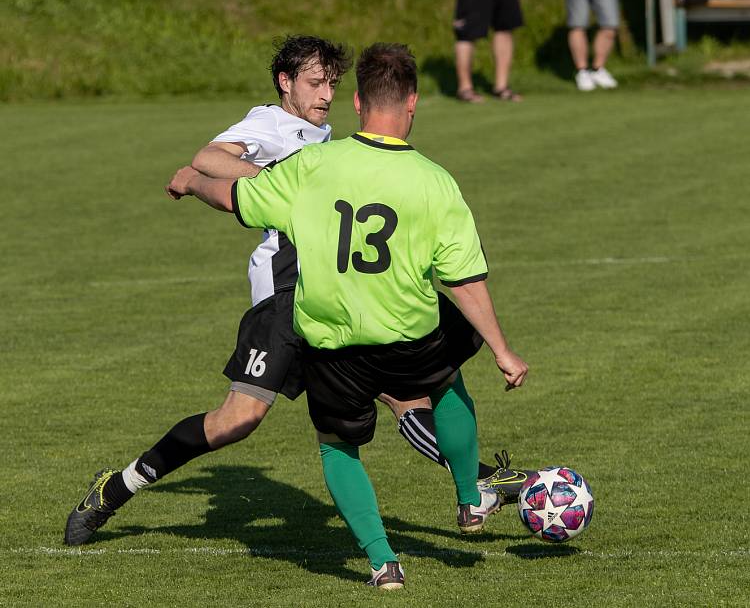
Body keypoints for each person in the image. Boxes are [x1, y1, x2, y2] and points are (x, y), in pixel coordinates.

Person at [64, 35, 532, 548]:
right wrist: (280, 180)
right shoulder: (270, 124)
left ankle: (477, 484)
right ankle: (118, 486)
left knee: (405, 393)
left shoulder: (325, 139)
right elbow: (208, 158)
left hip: (332, 292)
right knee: (236, 421)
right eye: (314, 82)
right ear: (285, 83)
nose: (325, 94)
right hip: (284, 297)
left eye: (332, 83)